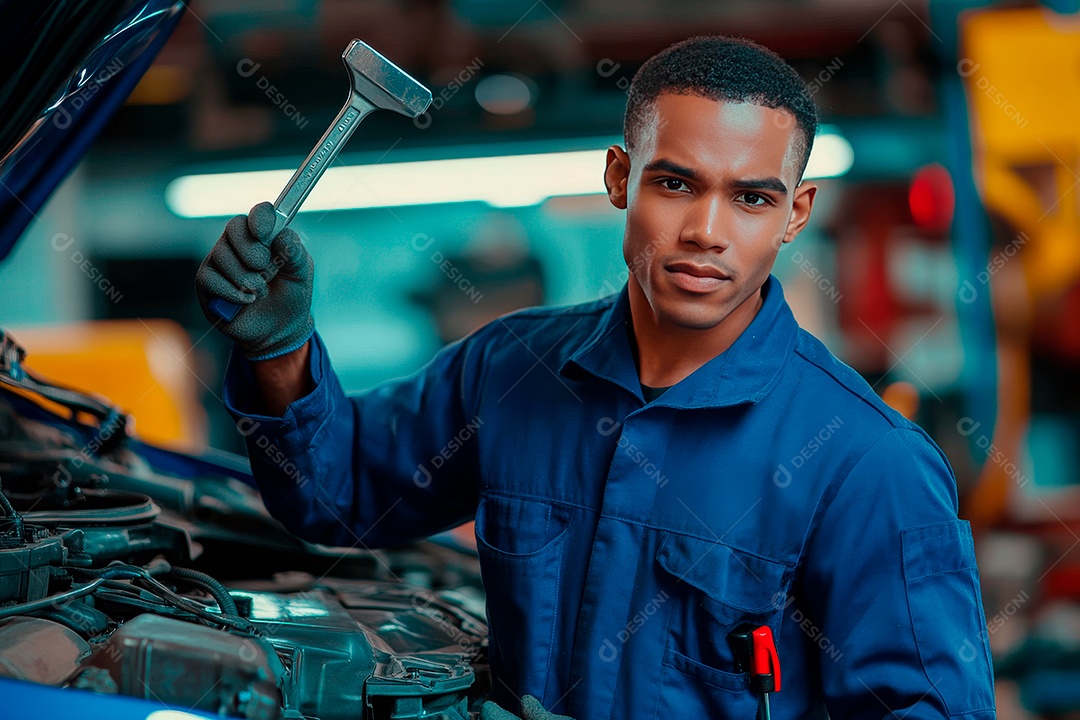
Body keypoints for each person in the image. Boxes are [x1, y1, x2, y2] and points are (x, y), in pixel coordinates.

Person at [195, 35, 996, 720]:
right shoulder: (509, 371)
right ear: (620, 178)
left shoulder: (868, 464)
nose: (707, 232)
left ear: (795, 214)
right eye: (675, 183)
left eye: (751, 198)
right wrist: (279, 351)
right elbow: (337, 495)